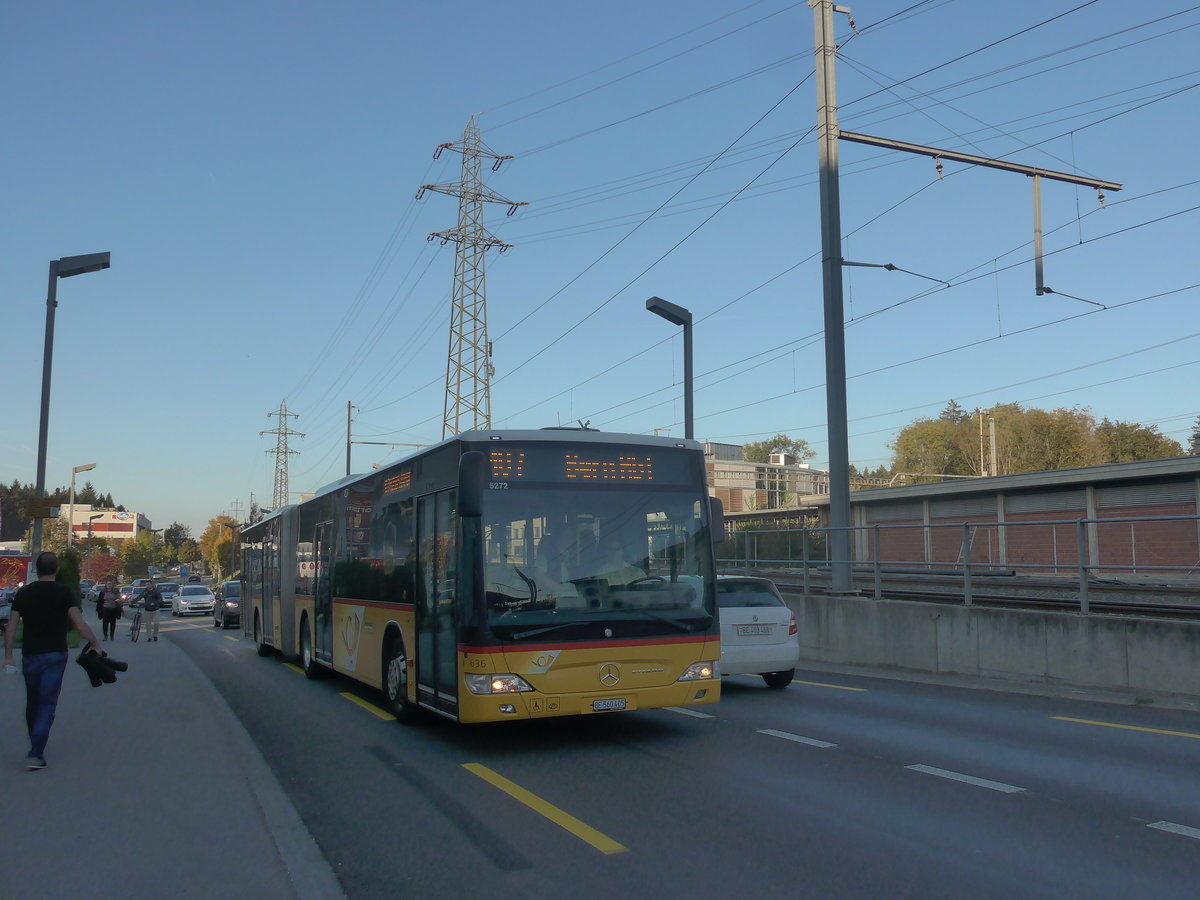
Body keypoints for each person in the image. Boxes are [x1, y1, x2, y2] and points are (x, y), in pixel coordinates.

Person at [3, 551, 104, 770]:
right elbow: (78, 623)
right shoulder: (64, 592)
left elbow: (11, 627)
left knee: (33, 701)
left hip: (30, 654)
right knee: (47, 702)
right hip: (55, 654)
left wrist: (9, 655)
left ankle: (35, 744)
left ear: (36, 570)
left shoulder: (24, 593)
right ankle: (36, 752)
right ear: (56, 569)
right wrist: (95, 642)